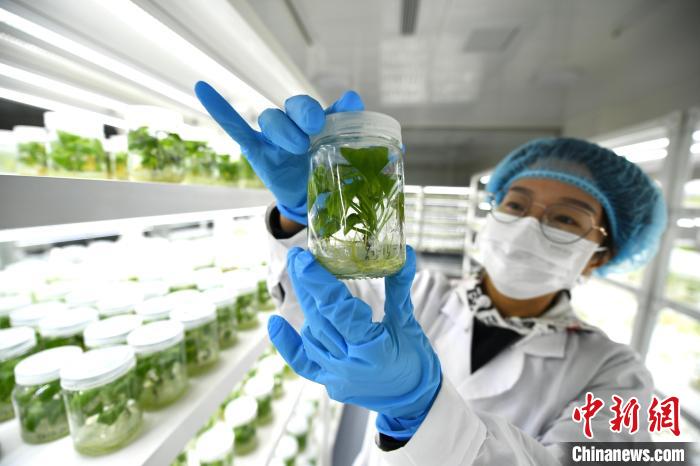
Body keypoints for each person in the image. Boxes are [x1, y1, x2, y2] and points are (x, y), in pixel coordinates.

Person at [195, 82, 667, 465]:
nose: (527, 226)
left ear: (600, 254)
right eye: (515, 205)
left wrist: (420, 412)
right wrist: (301, 219)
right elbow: (321, 313)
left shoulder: (616, 374)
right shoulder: (422, 292)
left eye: (565, 218)